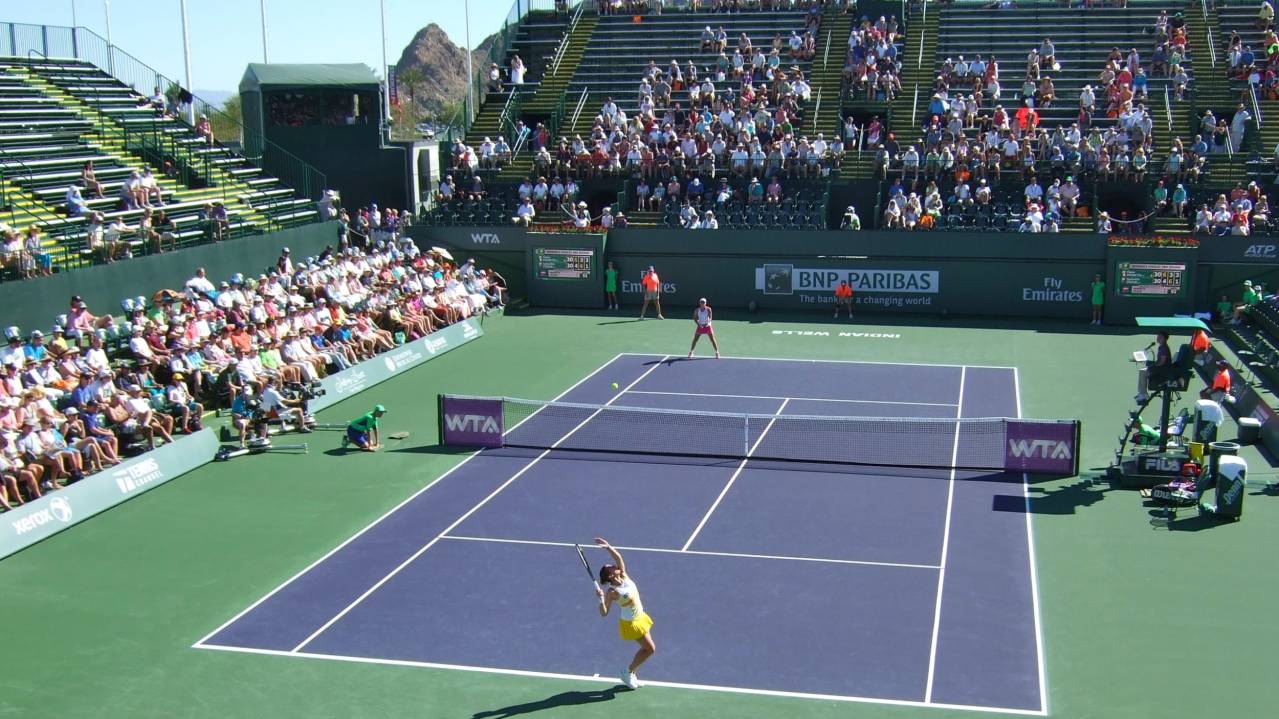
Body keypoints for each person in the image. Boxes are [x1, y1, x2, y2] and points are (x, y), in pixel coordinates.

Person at [593, 537, 655, 690]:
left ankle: (632, 673)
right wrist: (601, 600)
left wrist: (607, 547)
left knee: (646, 649)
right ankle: (627, 672)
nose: (616, 567)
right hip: (631, 623)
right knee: (650, 649)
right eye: (613, 569)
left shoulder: (624, 576)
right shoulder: (613, 592)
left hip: (640, 617)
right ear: (611, 576)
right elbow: (604, 613)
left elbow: (618, 557)